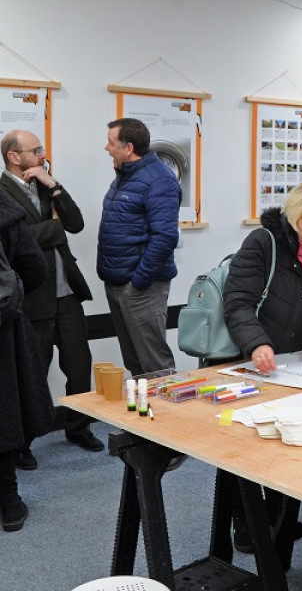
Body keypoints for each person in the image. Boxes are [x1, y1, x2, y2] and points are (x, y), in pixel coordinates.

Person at [1, 131, 101, 470]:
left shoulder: (46, 184)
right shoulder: (2, 193)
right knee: (32, 373)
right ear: (14, 157)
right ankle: (23, 444)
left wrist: (53, 183)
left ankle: (78, 427)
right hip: (31, 300)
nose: (42, 154)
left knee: (78, 365)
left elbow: (75, 223)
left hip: (67, 293)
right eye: (36, 150)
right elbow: (17, 240)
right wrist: (53, 228)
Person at [224, 177, 302, 372]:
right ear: (294, 212)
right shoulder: (263, 243)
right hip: (244, 357)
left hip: (293, 363)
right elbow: (238, 302)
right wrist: (257, 344)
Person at [98, 118, 181, 377]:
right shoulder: (124, 176)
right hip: (118, 283)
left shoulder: (159, 180)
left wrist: (139, 282)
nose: (106, 148)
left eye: (111, 143)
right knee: (135, 364)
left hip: (141, 287)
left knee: (155, 366)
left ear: (128, 147)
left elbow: (165, 238)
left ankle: (169, 418)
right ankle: (143, 416)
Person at [0, 191, 54, 532]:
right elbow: (35, 267)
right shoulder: (5, 209)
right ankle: (9, 501)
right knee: (3, 410)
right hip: (2, 328)